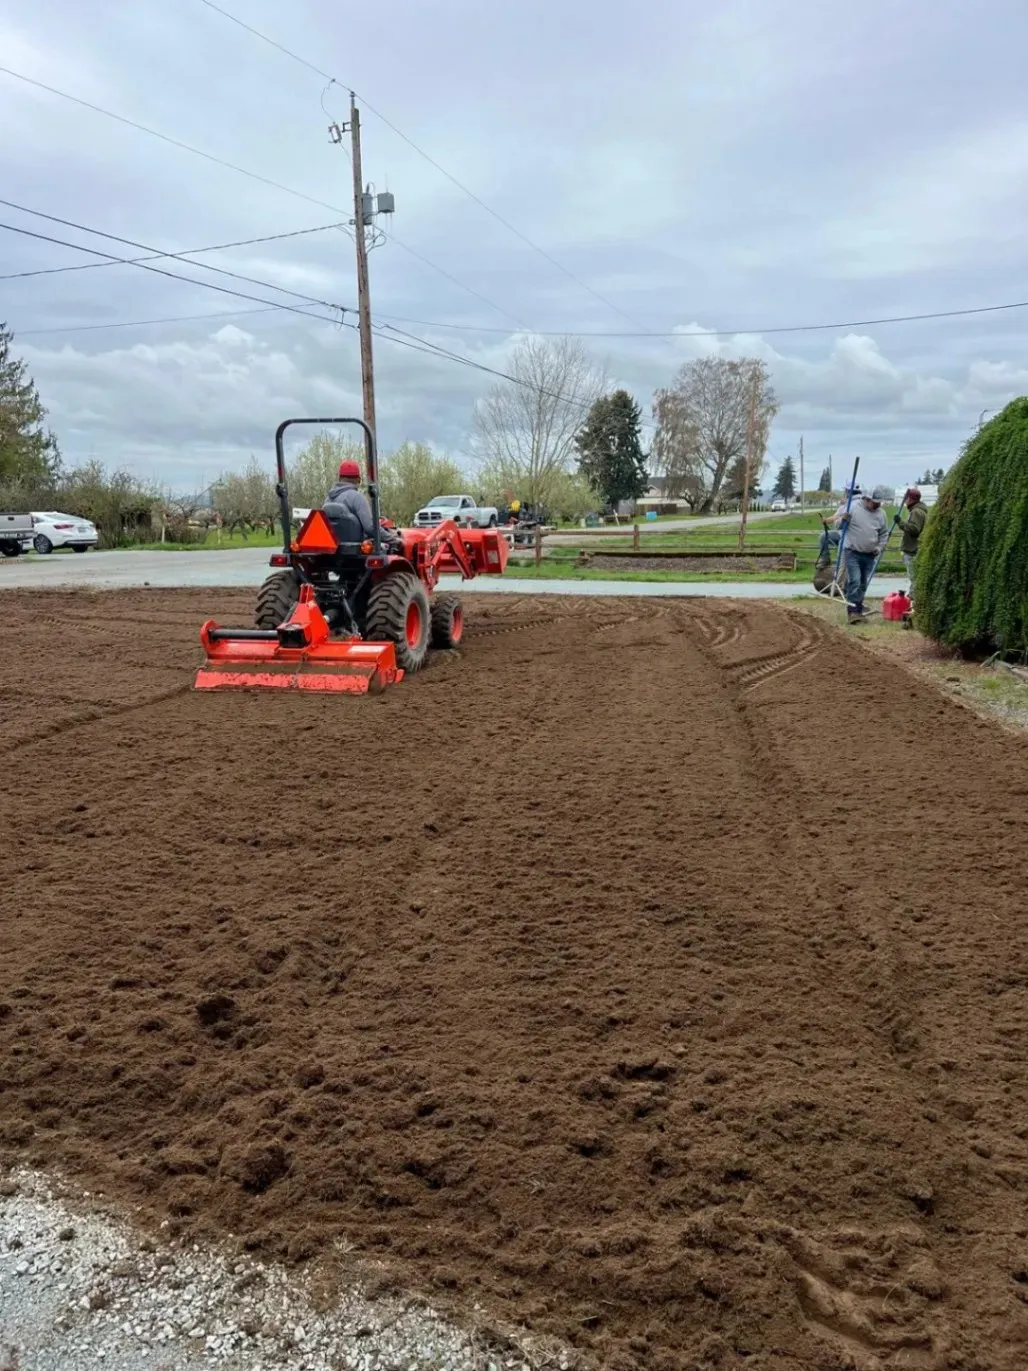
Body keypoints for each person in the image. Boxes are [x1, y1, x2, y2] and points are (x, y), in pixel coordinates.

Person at [839, 485, 889, 623]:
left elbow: (884, 533)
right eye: (874, 502)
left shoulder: (881, 514)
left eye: (879, 503)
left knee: (862, 584)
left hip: (870, 554)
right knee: (854, 580)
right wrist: (843, 519)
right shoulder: (852, 507)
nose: (877, 505)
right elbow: (838, 526)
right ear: (867, 499)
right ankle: (852, 612)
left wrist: (880, 547)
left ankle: (858, 609)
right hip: (852, 551)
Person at [895, 486, 928, 598]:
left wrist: (900, 523)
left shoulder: (916, 512)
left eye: (906, 499)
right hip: (914, 549)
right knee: (915, 578)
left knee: (914, 578)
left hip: (912, 550)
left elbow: (914, 530)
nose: (905, 502)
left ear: (910, 499)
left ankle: (913, 600)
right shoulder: (920, 511)